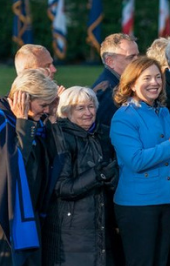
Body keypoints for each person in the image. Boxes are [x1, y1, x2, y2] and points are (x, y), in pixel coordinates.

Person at [110, 57, 170, 266]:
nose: (154, 83)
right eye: (147, 78)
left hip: (166, 200)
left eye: (157, 77)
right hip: (138, 205)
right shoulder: (123, 117)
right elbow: (136, 161)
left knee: (162, 261)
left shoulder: (162, 111)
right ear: (132, 83)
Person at [0, 69, 60, 266]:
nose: (46, 110)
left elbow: (54, 161)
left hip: (31, 214)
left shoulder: (37, 123)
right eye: (43, 105)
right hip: (3, 219)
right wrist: (23, 124)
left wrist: (53, 122)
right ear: (23, 98)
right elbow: (14, 166)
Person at [44, 86, 118, 266]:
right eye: (81, 108)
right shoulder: (60, 137)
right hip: (72, 231)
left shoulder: (104, 134)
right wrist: (98, 174)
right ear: (67, 112)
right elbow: (62, 187)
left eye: (91, 106)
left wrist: (112, 178)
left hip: (102, 224)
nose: (88, 112)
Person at [93, 33, 140, 127]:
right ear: (110, 62)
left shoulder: (117, 83)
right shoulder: (108, 91)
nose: (138, 60)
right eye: (131, 57)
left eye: (137, 55)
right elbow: (106, 132)